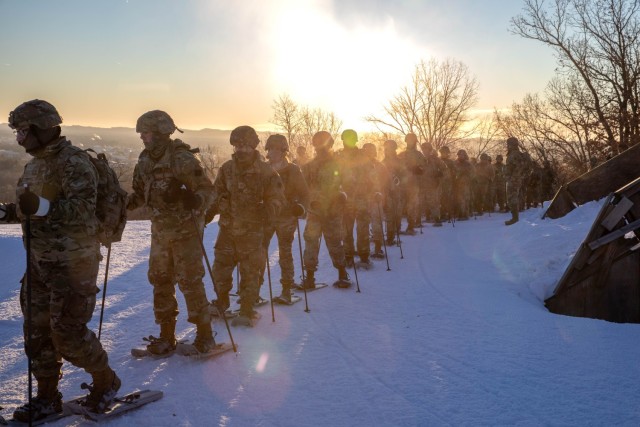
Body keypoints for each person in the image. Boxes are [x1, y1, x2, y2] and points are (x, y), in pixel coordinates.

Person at [1, 99, 120, 421]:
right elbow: (31, 209)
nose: (19, 138)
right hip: (39, 262)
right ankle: (47, 396)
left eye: (23, 131)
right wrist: (7, 211)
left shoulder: (73, 162)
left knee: (68, 334)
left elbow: (82, 211)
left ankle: (106, 381)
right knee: (36, 333)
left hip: (73, 262)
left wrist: (39, 207)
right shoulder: (35, 164)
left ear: (42, 128)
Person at [127, 110, 216, 353]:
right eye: (142, 133)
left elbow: (208, 191)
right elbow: (137, 195)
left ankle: (205, 335)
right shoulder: (145, 161)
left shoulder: (183, 159)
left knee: (190, 281)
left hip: (186, 231)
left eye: (145, 133)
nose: (142, 137)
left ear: (160, 132)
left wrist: (193, 199)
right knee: (160, 281)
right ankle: (166, 336)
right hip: (160, 233)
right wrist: (117, 204)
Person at [208, 126, 286, 326]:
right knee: (220, 269)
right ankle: (221, 302)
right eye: (237, 145)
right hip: (227, 229)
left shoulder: (266, 171)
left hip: (252, 231)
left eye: (245, 145)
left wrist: (267, 211)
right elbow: (215, 195)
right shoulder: (226, 169)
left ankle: (247, 309)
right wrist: (205, 213)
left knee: (250, 271)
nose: (240, 149)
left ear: (253, 146)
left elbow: (277, 198)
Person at [259, 134, 309, 303]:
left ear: (283, 151)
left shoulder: (293, 170)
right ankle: (253, 291)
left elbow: (304, 193)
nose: (273, 152)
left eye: (277, 149)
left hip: (287, 217)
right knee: (258, 253)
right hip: (267, 216)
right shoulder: (263, 169)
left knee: (285, 253)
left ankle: (287, 289)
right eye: (271, 149)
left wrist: (300, 207)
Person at [301, 131, 353, 288]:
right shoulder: (309, 166)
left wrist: (343, 196)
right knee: (311, 243)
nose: (321, 147)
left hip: (333, 210)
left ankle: (343, 274)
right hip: (315, 211)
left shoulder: (340, 164)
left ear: (330, 144)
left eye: (324, 143)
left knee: (335, 242)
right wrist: (310, 202)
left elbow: (349, 184)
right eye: (318, 144)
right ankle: (309, 278)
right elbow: (304, 190)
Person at [336, 129, 374, 268]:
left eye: (351, 139)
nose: (349, 142)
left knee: (363, 228)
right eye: (347, 139)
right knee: (346, 229)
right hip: (345, 198)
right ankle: (348, 255)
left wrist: (371, 189)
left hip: (361, 197)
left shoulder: (362, 156)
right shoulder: (338, 156)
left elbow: (372, 175)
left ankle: (364, 256)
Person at [362, 143, 389, 258]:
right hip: (362, 198)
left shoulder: (380, 166)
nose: (369, 153)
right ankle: (363, 249)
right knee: (363, 224)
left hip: (376, 197)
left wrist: (384, 195)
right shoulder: (359, 166)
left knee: (376, 222)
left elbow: (386, 181)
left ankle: (378, 247)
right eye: (367, 151)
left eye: (371, 151)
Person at [398, 133, 427, 234]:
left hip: (414, 184)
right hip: (401, 185)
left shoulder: (419, 155)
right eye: (408, 140)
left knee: (412, 206)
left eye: (412, 140)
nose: (410, 142)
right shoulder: (401, 155)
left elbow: (424, 168)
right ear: (406, 141)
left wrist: (419, 170)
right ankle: (397, 227)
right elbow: (396, 168)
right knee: (399, 206)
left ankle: (411, 226)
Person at [382, 139, 406, 245]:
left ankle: (395, 232)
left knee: (397, 214)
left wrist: (399, 180)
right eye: (386, 148)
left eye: (390, 148)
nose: (387, 150)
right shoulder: (383, 162)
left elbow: (405, 176)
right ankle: (390, 236)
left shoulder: (400, 161)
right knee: (389, 215)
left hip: (398, 192)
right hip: (386, 193)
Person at [420, 142, 447, 226]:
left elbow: (444, 169)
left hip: (433, 184)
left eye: (426, 149)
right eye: (423, 149)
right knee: (422, 201)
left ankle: (437, 219)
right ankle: (424, 218)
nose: (425, 151)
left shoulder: (435, 159)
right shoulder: (421, 159)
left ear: (430, 150)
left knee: (434, 202)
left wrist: (440, 176)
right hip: (422, 183)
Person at [504, 136, 528, 225]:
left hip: (514, 180)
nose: (507, 146)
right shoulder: (513, 153)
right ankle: (514, 217)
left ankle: (515, 218)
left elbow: (518, 167)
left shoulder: (515, 154)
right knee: (512, 197)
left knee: (512, 198)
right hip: (514, 179)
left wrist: (513, 178)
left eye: (508, 144)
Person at [453, 149, 475, 220]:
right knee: (458, 199)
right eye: (459, 155)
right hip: (457, 184)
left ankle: (465, 214)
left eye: (462, 155)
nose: (460, 156)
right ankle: (459, 213)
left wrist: (467, 177)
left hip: (466, 184)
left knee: (465, 199)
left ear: (465, 155)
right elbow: (452, 172)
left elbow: (473, 173)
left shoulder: (468, 164)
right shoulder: (455, 163)